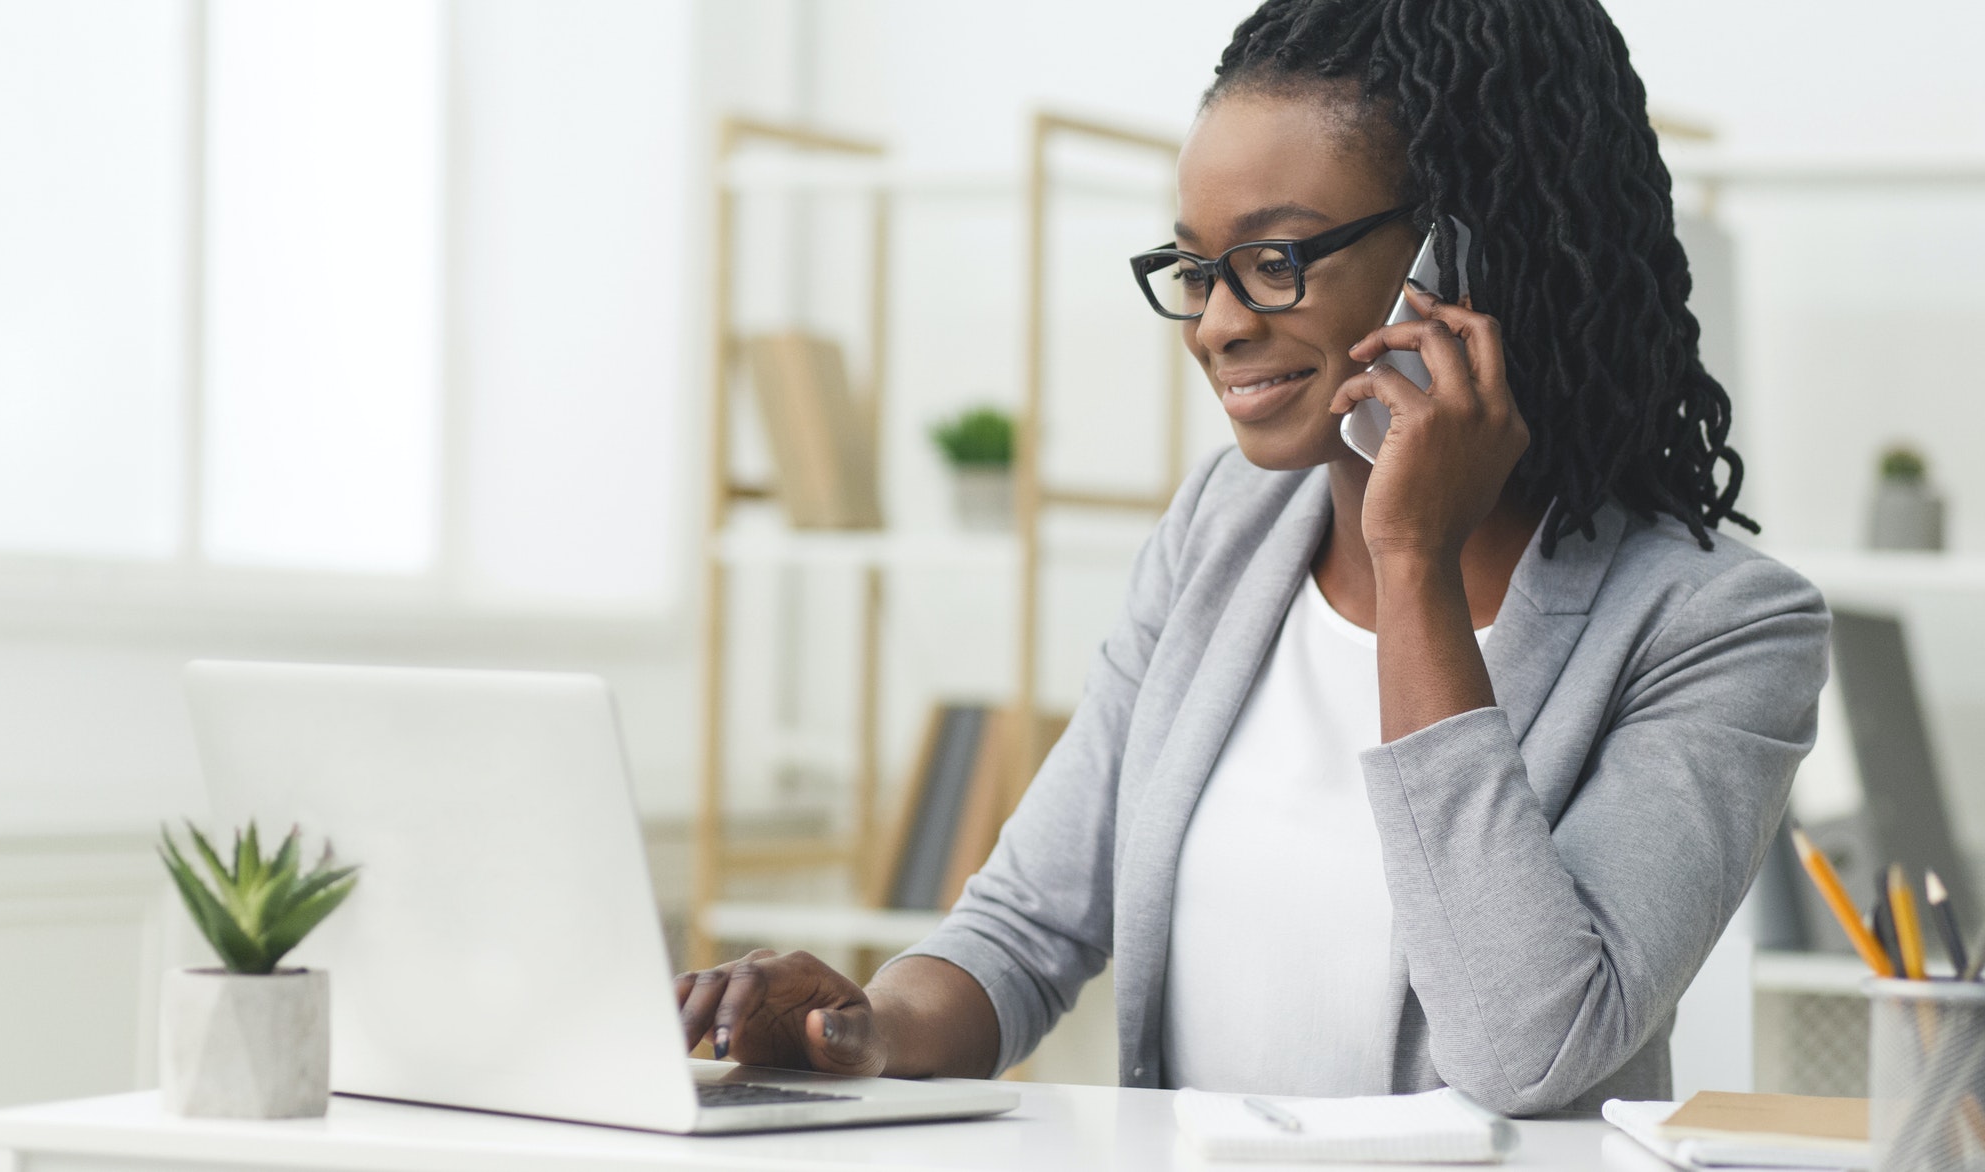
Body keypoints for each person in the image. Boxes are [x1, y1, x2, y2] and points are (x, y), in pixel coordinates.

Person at [673, 0, 1829, 1116]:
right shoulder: (1221, 531)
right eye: (1192, 268)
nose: (1218, 322)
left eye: (1273, 259)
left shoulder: (1718, 627)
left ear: (1466, 253)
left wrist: (1410, 557)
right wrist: (863, 1028)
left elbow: (1526, 1046)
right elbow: (1027, 925)